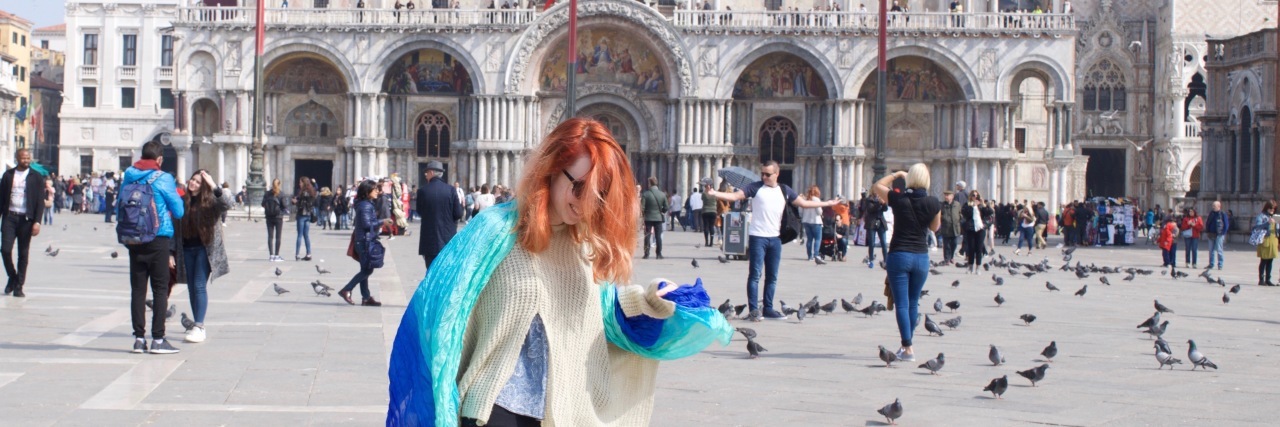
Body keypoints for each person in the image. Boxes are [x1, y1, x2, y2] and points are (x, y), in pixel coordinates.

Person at [387, 118, 731, 425]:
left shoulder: (583, 246)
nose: (584, 204)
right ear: (552, 169)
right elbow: (442, 313)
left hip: (559, 408)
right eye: (578, 187)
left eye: (598, 196)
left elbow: (601, 311)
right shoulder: (495, 231)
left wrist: (652, 299)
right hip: (494, 407)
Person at [705, 160, 842, 320]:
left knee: (772, 276)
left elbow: (803, 203)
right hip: (757, 237)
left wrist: (828, 203)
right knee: (755, 275)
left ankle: (768, 309)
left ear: (776, 174)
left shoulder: (784, 190)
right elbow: (735, 196)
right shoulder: (755, 187)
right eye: (762, 173)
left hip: (775, 239)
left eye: (767, 174)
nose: (764, 176)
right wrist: (714, 193)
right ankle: (754, 310)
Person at [120, 140, 185, 354]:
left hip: (134, 238)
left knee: (138, 290)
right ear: (159, 159)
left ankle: (139, 339)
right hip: (158, 238)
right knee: (159, 289)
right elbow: (178, 210)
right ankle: (158, 339)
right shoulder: (163, 178)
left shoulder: (129, 174)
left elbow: (121, 200)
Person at [872, 164, 941, 363]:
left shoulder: (899, 198)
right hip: (921, 257)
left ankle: (907, 347)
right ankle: (907, 345)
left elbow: (877, 186)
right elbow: (934, 228)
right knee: (912, 303)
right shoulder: (933, 202)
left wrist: (897, 175)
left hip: (899, 255)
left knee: (901, 303)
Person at [173, 170, 232, 343]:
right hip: (187, 249)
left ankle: (199, 325)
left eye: (198, 182)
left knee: (199, 285)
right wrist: (171, 252)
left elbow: (228, 203)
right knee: (191, 287)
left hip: (205, 249)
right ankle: (198, 325)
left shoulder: (212, 201)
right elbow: (175, 228)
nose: (193, 184)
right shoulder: (183, 201)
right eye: (192, 180)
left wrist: (214, 185)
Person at [0, 149, 47, 297]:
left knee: (23, 253)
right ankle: (12, 277)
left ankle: (19, 285)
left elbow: (40, 201)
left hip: (26, 219)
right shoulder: (8, 175)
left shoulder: (36, 177)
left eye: (28, 158)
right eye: (23, 158)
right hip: (10, 217)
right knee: (5, 250)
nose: (26, 160)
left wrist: (37, 222)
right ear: (17, 158)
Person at [339, 180, 386, 306]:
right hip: (365, 241)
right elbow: (366, 224)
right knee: (367, 270)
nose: (377, 191)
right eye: (375, 189)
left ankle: (366, 297)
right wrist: (383, 222)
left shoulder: (365, 204)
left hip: (362, 240)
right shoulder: (366, 205)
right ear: (367, 191)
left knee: (364, 268)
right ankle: (346, 289)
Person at [416, 160, 464, 270]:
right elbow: (458, 213)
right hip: (447, 238)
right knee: (445, 271)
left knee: (431, 271)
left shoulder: (422, 191)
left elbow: (419, 211)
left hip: (429, 240)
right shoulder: (451, 190)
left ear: (432, 173)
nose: (426, 176)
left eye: (426, 173)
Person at [961, 190, 993, 273]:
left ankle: (978, 267)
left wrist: (983, 204)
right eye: (973, 195)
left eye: (977, 196)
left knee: (979, 248)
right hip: (971, 228)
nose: (975, 197)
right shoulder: (967, 205)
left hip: (980, 229)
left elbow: (989, 212)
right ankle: (970, 266)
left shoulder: (981, 206)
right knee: (971, 248)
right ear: (970, 197)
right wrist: (973, 206)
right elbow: (965, 214)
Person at [639, 176, 668, 259]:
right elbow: (666, 207)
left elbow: (642, 207)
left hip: (648, 218)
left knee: (647, 236)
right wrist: (661, 211)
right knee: (658, 236)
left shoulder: (646, 194)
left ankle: (646, 254)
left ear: (650, 184)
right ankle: (659, 254)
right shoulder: (662, 194)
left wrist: (644, 215)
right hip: (658, 218)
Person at [262, 179, 287, 262]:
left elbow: (263, 204)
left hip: (269, 217)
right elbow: (284, 205)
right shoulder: (281, 194)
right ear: (279, 184)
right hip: (278, 217)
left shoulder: (267, 193)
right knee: (278, 236)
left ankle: (271, 255)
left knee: (270, 236)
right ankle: (277, 255)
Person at [1254, 201, 1278, 286]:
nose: (1272, 210)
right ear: (1267, 207)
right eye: (1271, 209)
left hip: (1273, 239)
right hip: (1265, 239)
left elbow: (1277, 229)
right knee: (1264, 260)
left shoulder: (1275, 217)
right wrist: (1267, 223)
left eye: (1273, 209)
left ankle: (1268, 279)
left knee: (1270, 260)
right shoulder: (1261, 216)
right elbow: (1257, 227)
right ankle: (1261, 279)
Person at [292, 176, 316, 261]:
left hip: (302, 215)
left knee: (299, 235)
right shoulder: (311, 192)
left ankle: (297, 254)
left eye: (300, 182)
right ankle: (308, 254)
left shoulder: (303, 193)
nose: (299, 184)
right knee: (306, 235)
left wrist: (295, 202)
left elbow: (301, 204)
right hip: (308, 215)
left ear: (304, 183)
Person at [861, 192, 888, 266]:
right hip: (871, 222)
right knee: (872, 243)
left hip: (881, 222)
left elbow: (885, 209)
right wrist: (879, 203)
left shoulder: (881, 199)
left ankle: (886, 260)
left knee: (883, 243)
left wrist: (884, 203)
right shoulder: (868, 200)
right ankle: (870, 259)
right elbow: (870, 209)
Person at [800, 185, 825, 262]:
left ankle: (809, 256)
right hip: (816, 221)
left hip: (806, 221)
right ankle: (816, 255)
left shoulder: (804, 199)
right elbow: (819, 211)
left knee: (809, 239)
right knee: (818, 239)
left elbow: (800, 212)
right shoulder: (816, 200)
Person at [938, 190, 962, 264]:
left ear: (952, 196)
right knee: (946, 244)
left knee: (954, 243)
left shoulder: (957, 204)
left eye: (948, 195)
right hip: (946, 227)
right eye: (945, 195)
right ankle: (947, 259)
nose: (946, 196)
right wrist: (943, 218)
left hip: (955, 227)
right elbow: (939, 214)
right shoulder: (942, 205)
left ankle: (951, 257)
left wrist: (959, 219)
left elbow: (960, 214)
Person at [1206, 201, 1229, 270]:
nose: (1213, 207)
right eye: (1213, 205)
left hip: (1219, 234)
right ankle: (1211, 264)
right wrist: (1207, 230)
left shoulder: (1222, 214)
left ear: (1219, 206)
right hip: (1211, 234)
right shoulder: (1211, 213)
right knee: (1211, 250)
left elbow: (1226, 224)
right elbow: (1208, 222)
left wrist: (1223, 233)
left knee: (1219, 250)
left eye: (1214, 206)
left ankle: (1220, 264)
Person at [700, 181, 718, 247]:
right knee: (711, 226)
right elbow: (717, 199)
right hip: (713, 211)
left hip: (705, 211)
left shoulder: (704, 194)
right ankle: (711, 242)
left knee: (706, 226)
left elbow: (702, 199)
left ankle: (706, 242)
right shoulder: (714, 194)